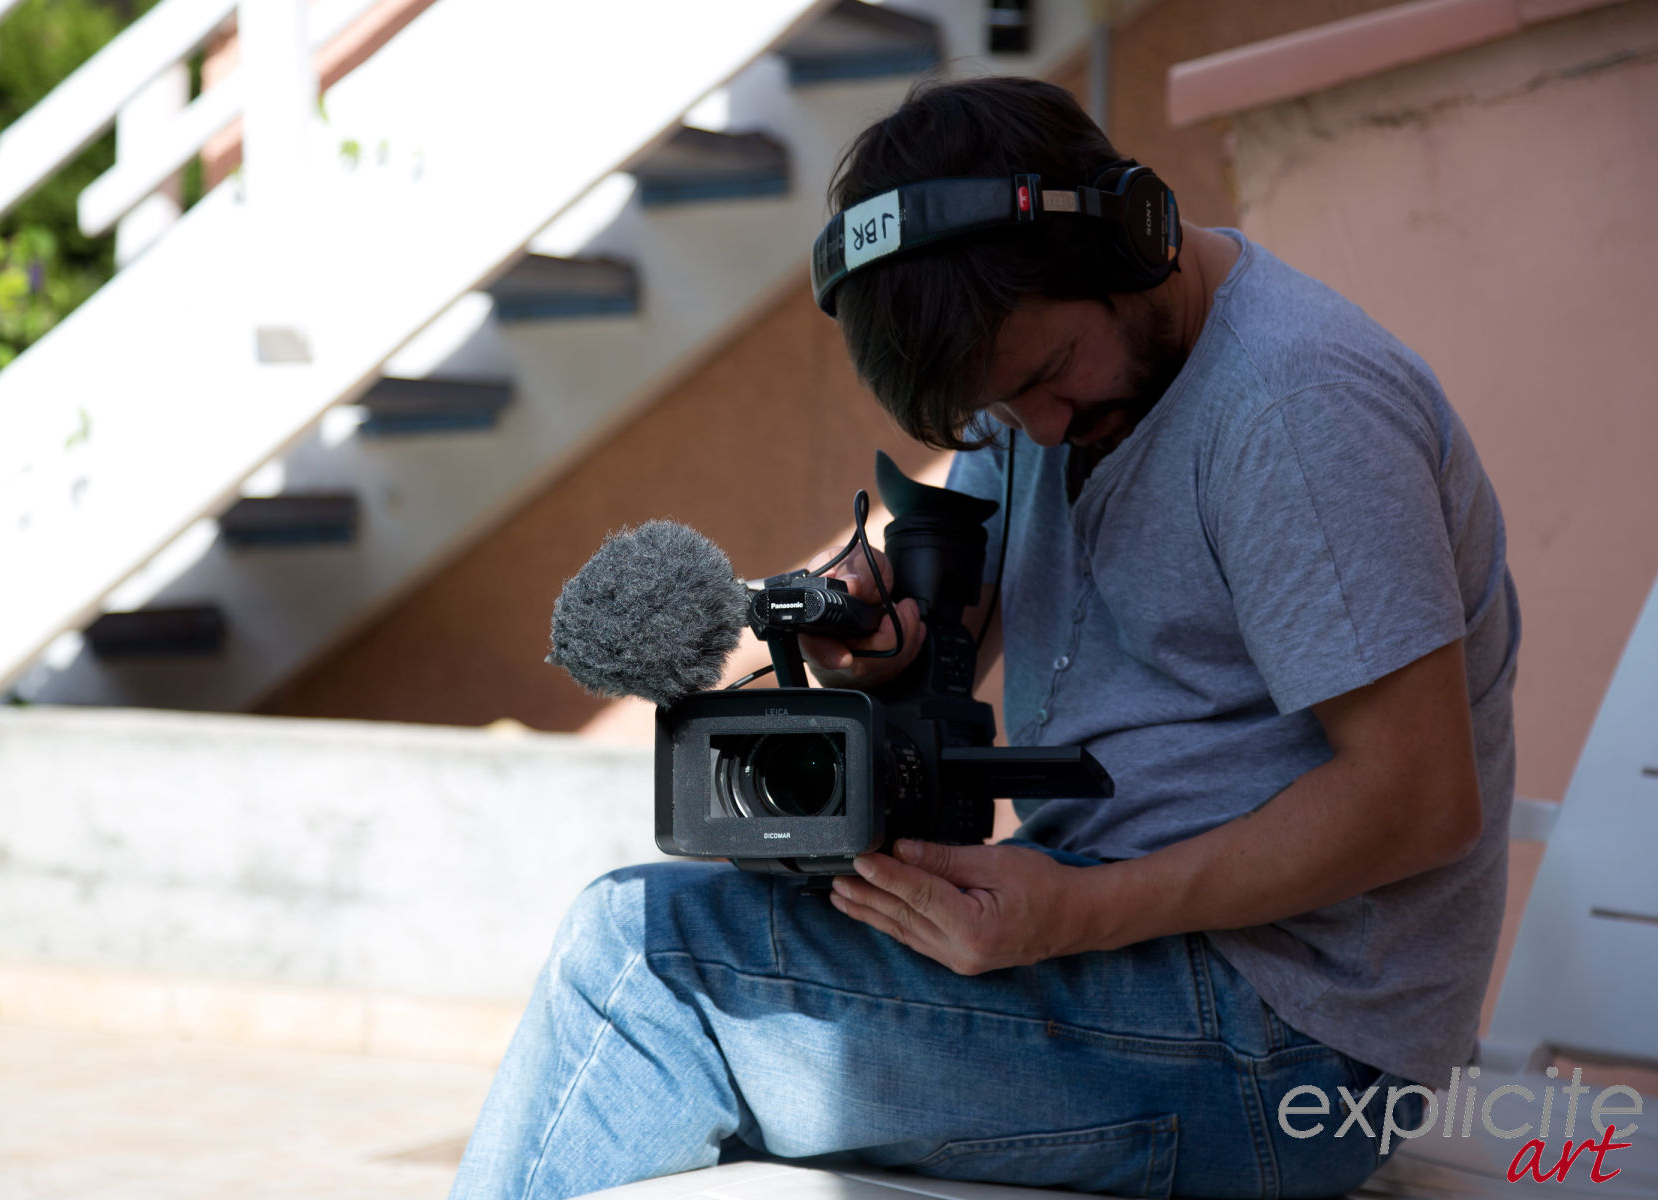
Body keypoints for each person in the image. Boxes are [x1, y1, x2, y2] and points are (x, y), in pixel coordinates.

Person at [450, 77, 1518, 1199]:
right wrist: (889, 642)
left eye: (1048, 377)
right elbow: (954, 626)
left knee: (639, 966)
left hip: (1296, 1047)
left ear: (1130, 233)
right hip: (1133, 955)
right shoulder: (1039, 397)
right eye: (999, 412)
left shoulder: (1294, 410)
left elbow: (1418, 799)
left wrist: (1077, 914)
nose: (1039, 431)